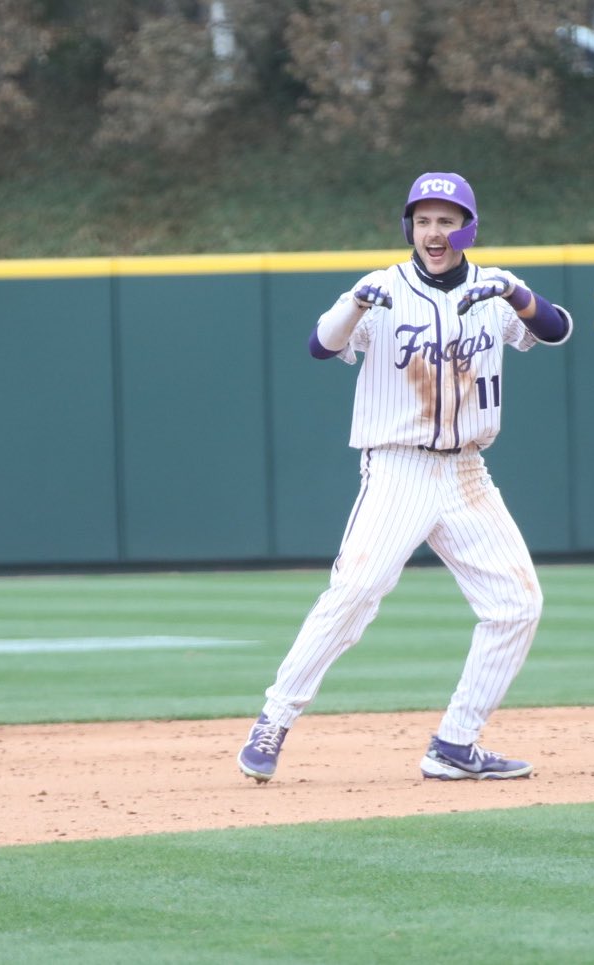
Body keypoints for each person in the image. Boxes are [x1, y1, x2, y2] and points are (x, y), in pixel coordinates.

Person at [237, 171, 573, 783]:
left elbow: (554, 330)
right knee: (356, 590)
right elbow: (319, 346)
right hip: (398, 468)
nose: (433, 232)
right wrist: (355, 301)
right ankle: (274, 719)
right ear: (409, 228)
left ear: (467, 228)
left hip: (468, 472)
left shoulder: (496, 290)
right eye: (423, 221)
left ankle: (455, 745)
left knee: (517, 605)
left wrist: (517, 293)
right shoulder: (383, 289)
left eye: (446, 220)